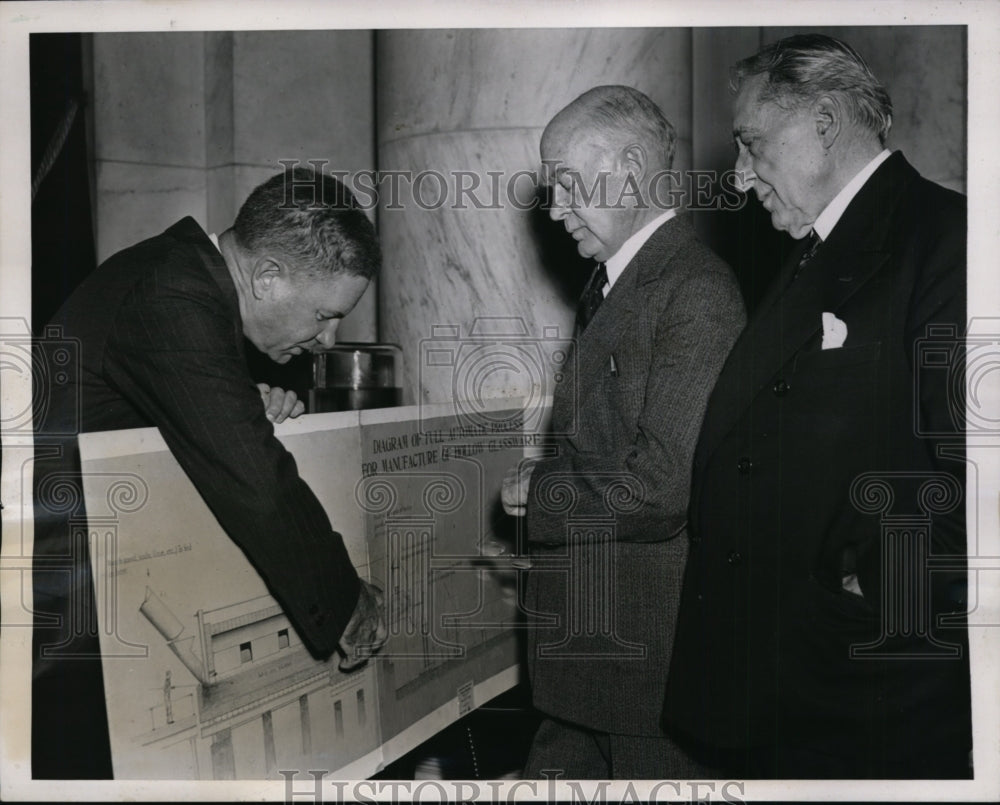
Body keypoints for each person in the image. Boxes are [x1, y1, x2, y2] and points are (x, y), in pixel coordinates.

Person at [663, 34, 972, 778]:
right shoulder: (809, 248)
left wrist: (875, 597)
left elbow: (974, 474)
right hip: (778, 679)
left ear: (826, 122)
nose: (738, 176)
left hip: (857, 691)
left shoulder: (948, 239)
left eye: (752, 143)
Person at [32, 167, 388, 778]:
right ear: (267, 276)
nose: (329, 339)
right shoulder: (174, 295)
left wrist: (241, 404)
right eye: (326, 314)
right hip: (57, 619)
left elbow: (178, 419)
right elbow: (253, 478)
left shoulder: (180, 277)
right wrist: (347, 600)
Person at [501, 85, 745, 779]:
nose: (553, 210)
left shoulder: (694, 288)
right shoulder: (614, 284)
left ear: (632, 168)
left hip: (644, 675)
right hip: (591, 663)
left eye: (568, 184)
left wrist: (538, 494)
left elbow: (661, 487)